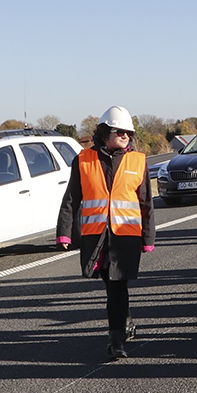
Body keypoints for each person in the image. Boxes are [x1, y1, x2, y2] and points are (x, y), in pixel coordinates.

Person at [57, 105, 155, 360]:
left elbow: (146, 202)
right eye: (120, 132)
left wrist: (148, 237)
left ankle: (116, 340)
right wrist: (64, 232)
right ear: (104, 133)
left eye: (128, 133)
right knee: (112, 286)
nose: (125, 136)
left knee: (117, 285)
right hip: (96, 236)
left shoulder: (138, 160)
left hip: (126, 236)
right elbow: (71, 198)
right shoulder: (83, 160)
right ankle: (126, 321)